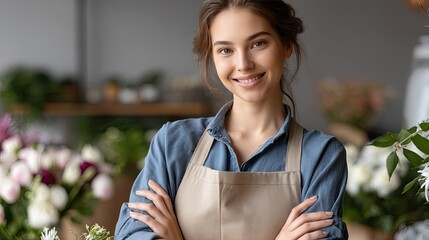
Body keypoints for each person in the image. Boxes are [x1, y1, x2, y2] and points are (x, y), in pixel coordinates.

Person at [115, 0, 348, 239]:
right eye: (226, 50)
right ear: (213, 57)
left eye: (258, 43)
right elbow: (134, 233)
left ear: (286, 45)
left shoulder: (322, 156)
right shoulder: (173, 143)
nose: (243, 64)